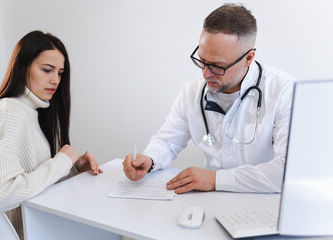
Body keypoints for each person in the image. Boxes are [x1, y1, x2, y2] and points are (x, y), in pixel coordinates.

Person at [122, 4, 295, 194]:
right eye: (202, 61)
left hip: (262, 203)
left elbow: (288, 171)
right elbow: (167, 141)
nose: (205, 73)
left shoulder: (284, 91)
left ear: (248, 58)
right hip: (211, 201)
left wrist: (215, 179)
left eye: (216, 66)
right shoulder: (192, 91)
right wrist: (150, 159)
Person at [0, 30, 102, 239]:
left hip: (36, 228)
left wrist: (71, 169)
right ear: (23, 67)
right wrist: (61, 161)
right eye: (47, 70)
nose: (55, 80)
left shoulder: (30, 112)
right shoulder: (11, 111)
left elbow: (31, 177)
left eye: (60, 73)